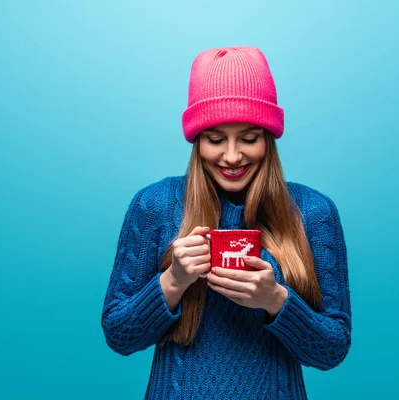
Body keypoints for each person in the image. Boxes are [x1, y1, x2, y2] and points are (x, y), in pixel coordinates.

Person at [101, 46, 351, 399]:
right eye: (215, 139)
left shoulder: (313, 213)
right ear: (196, 140)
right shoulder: (155, 206)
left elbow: (332, 349)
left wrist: (276, 300)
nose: (232, 156)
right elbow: (119, 335)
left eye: (249, 138)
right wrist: (173, 281)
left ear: (268, 138)